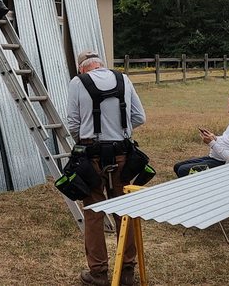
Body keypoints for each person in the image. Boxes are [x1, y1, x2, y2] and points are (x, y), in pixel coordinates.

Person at [66, 51, 146, 286]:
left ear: (82, 69)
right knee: (124, 211)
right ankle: (127, 271)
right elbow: (139, 117)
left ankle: (99, 273)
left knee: (93, 213)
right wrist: (120, 129)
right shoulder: (123, 79)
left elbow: (72, 124)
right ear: (102, 65)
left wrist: (87, 139)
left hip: (92, 158)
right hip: (122, 155)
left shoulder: (78, 82)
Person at [173, 92, 229, 177]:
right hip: (216, 158)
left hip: (223, 164)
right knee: (177, 166)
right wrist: (214, 138)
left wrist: (212, 143)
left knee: (183, 170)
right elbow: (227, 140)